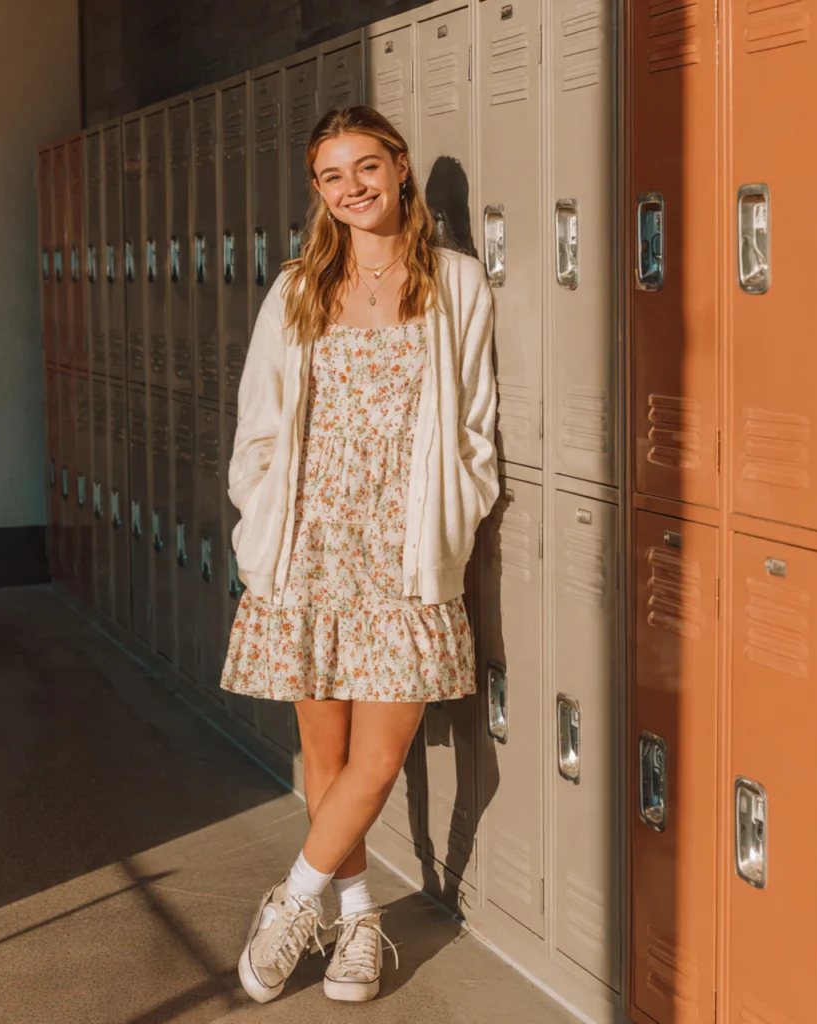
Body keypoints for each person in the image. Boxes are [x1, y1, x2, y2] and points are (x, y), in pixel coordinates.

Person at [220, 104, 498, 1004]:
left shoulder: (456, 283)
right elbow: (258, 428)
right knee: (328, 758)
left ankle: (294, 904)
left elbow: (475, 429)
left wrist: (457, 514)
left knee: (378, 760)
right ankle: (360, 925)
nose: (352, 190)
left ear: (401, 167)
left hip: (406, 554)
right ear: (318, 191)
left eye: (366, 168)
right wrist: (265, 514)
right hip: (311, 546)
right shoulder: (299, 287)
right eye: (332, 177)